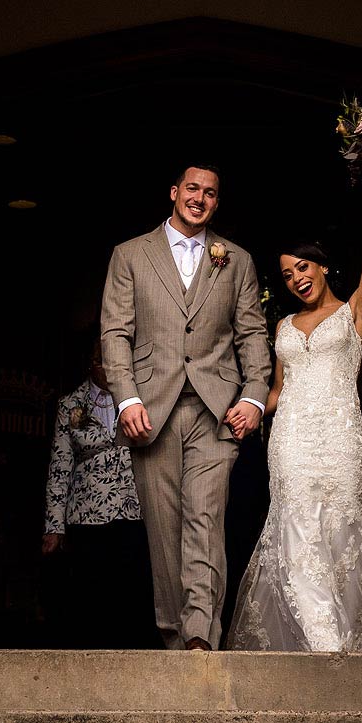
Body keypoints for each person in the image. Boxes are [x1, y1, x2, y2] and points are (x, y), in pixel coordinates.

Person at [226, 166, 362, 651]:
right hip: (290, 440)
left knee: (343, 532)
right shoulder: (284, 325)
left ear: (323, 265)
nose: (296, 279)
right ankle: (321, 642)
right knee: (295, 529)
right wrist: (250, 411)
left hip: (340, 438)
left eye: (302, 268)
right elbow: (278, 389)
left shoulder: (354, 313)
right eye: (287, 274)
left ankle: (349, 639)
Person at [99, 163, 273, 651]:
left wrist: (255, 396)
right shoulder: (130, 255)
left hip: (216, 411)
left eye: (210, 193)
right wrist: (126, 397)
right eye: (192, 188)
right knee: (163, 526)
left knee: (205, 516)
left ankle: (200, 635)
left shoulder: (235, 259)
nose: (200, 198)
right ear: (174, 192)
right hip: (151, 411)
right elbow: (115, 332)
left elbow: (253, 335)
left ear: (217, 202)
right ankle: (175, 638)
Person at [42, 344, 150, 647]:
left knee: (132, 588)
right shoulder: (70, 404)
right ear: (92, 364)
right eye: (106, 363)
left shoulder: (138, 396)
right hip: (87, 511)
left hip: (134, 506)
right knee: (91, 589)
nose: (113, 370)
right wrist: (54, 525)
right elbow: (60, 466)